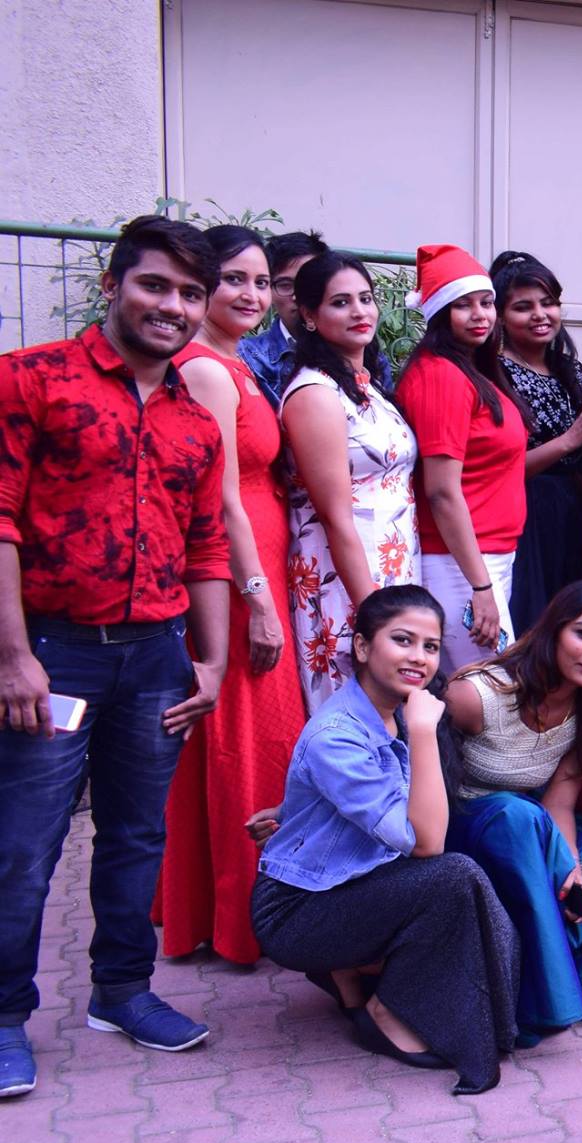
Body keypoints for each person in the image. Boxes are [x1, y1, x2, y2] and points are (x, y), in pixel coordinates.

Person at [0, 215, 229, 1096]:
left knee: (137, 835)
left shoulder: (195, 422)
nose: (173, 306)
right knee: (24, 845)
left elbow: (206, 545)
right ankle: (3, 1017)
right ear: (113, 285)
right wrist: (12, 656)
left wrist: (210, 662)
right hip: (52, 655)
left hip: (157, 660)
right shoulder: (32, 380)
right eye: (155, 285)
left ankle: (123, 991)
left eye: (190, 293)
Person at [250, 586, 518, 1094]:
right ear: (362, 646)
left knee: (465, 880)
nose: (419, 657)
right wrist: (424, 733)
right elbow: (427, 843)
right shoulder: (342, 734)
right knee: (452, 875)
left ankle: (354, 976)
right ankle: (384, 1010)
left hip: (353, 883)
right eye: (402, 640)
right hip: (297, 912)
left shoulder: (396, 713)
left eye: (431, 646)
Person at [153, 224, 308, 966]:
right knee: (246, 744)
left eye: (261, 281)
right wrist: (260, 601)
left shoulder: (232, 360)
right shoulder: (208, 371)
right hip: (240, 575)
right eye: (233, 279)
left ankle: (224, 907)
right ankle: (247, 915)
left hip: (258, 563)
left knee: (244, 742)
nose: (250, 294)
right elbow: (221, 500)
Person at [443, 582, 582, 1040]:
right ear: (554, 631)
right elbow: (411, 770)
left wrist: (571, 869)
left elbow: (559, 801)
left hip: (528, 830)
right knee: (516, 815)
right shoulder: (477, 697)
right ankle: (539, 1005)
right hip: (457, 830)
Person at [279, 251, 420, 707]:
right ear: (309, 315)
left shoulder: (365, 385)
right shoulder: (315, 393)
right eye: (341, 302)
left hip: (391, 564)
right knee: (352, 712)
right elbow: (336, 517)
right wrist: (374, 617)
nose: (360, 311)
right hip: (343, 577)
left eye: (365, 298)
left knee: (392, 713)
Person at [398, 244, 529, 671]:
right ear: (439, 313)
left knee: (483, 685)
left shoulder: (472, 369)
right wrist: (480, 585)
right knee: (490, 689)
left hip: (487, 556)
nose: (480, 315)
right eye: (463, 305)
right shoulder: (441, 376)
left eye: (486, 303)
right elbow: (441, 491)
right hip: (460, 563)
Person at [492, 251, 582, 635]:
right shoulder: (494, 372)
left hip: (573, 508)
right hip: (526, 511)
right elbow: (501, 467)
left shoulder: (569, 369)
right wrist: (569, 441)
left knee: (574, 619)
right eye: (524, 307)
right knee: (533, 622)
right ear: (500, 316)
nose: (540, 314)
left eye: (548, 303)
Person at [240, 230, 393, 408]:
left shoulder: (371, 357)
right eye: (286, 285)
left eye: (310, 284)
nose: (298, 296)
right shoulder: (250, 358)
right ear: (269, 291)